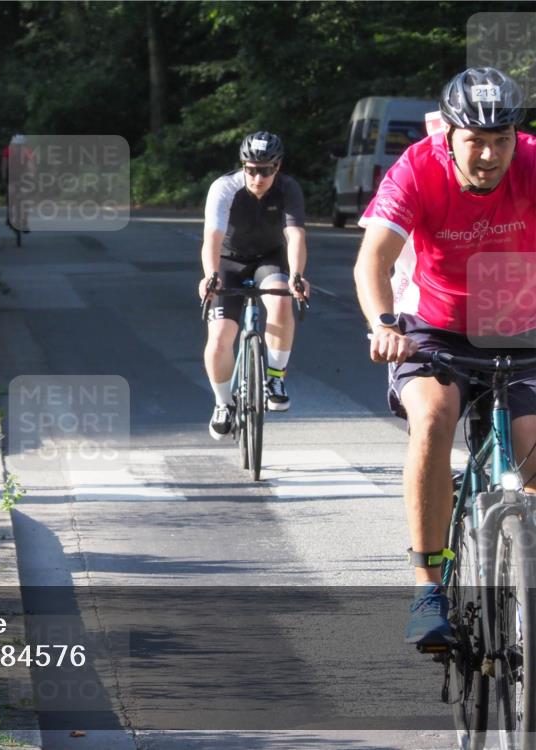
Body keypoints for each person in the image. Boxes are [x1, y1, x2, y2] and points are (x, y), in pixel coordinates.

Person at [353, 67, 536, 648]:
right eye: (475, 141)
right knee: (431, 419)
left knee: (533, 448)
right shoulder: (417, 168)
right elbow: (372, 263)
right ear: (449, 134)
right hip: (432, 326)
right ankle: (427, 586)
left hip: (518, 322)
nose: (489, 154)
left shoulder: (533, 161)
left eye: (501, 140)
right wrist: (384, 324)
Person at [199, 131, 309, 440]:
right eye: (250, 169)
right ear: (242, 166)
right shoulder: (224, 188)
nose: (257, 177)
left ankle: (275, 377)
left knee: (282, 300)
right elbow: (212, 238)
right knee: (220, 336)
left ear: (278, 167)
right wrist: (210, 275)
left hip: (268, 258)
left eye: (265, 170)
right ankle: (223, 404)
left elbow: (295, 236)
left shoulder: (288, 189)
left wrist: (298, 274)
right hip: (228, 261)